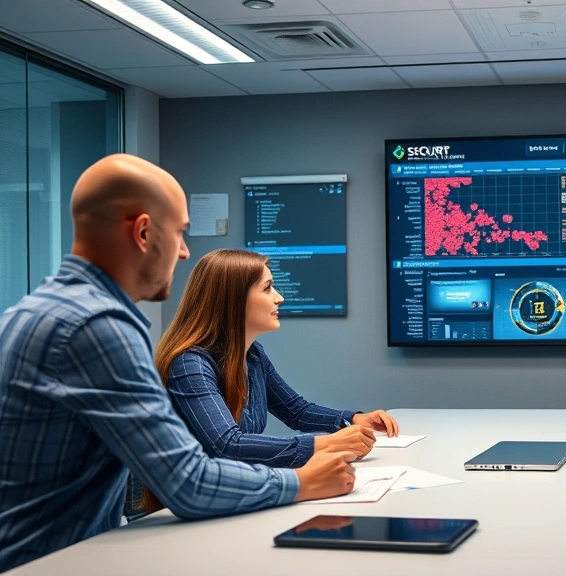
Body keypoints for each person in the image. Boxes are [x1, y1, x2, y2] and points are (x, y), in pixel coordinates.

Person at [0, 155, 357, 572]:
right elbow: (188, 481)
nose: (185, 253)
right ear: (144, 232)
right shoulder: (97, 327)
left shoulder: (29, 312)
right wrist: (302, 481)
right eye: (181, 234)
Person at [155, 248, 397, 468]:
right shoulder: (190, 364)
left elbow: (296, 411)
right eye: (267, 288)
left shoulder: (253, 355)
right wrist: (327, 445)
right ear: (235, 300)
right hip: (171, 512)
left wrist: (355, 419)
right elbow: (228, 446)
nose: (279, 298)